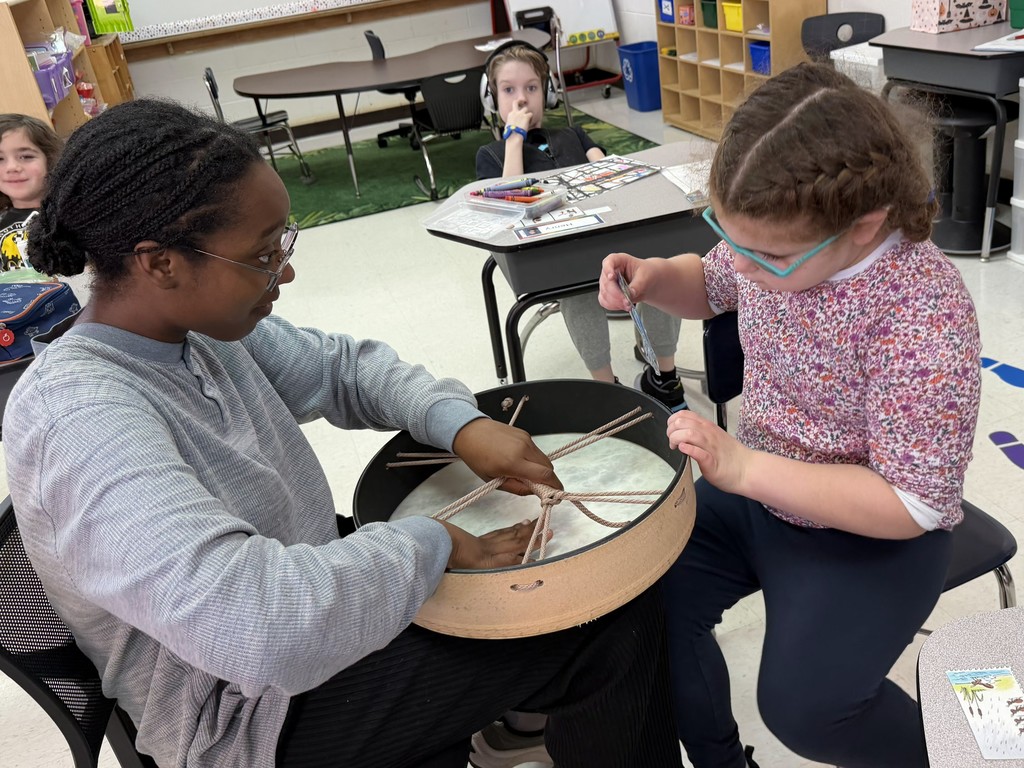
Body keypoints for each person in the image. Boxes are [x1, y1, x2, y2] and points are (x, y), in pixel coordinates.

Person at [3, 98, 683, 768]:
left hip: (303, 612)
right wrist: (436, 540)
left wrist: (463, 424)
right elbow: (260, 627)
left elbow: (343, 370)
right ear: (161, 263)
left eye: (283, 245)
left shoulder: (189, 329)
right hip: (247, 718)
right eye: (263, 255)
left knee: (569, 588)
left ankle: (522, 716)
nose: (285, 271)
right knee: (609, 625)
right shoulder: (82, 421)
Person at [598, 62, 981, 768]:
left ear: (865, 224)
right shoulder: (775, 240)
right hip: (757, 497)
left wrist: (743, 467)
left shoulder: (922, 313)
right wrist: (656, 278)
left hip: (872, 532)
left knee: (809, 710)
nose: (741, 263)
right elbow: (712, 283)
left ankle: (944, 756)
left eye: (765, 254)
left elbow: (913, 504)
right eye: (730, 236)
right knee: (637, 601)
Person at [475, 41, 687, 411]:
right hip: (555, 255)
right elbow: (506, 203)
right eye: (509, 90)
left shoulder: (571, 134)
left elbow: (606, 166)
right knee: (576, 288)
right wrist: (514, 138)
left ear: (548, 93)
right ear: (492, 99)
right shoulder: (491, 155)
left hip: (607, 234)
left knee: (657, 264)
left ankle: (664, 376)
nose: (521, 100)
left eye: (531, 88)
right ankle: (607, 388)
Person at [0, 113, 63, 282]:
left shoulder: (70, 215)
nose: (12, 167)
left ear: (49, 159)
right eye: (0, 159)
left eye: (26, 156)